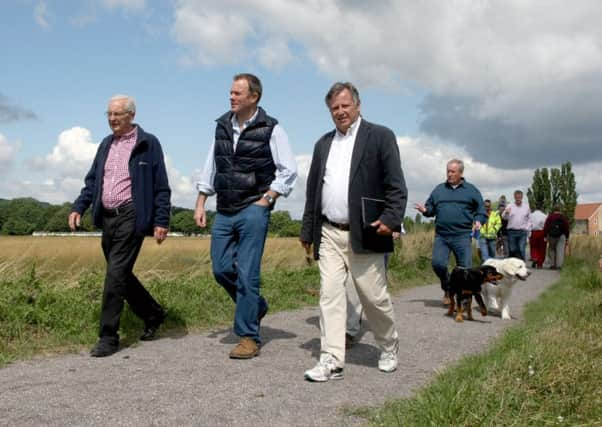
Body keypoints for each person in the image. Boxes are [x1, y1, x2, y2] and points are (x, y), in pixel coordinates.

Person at [300, 82, 407, 381]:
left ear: (358, 105)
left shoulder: (381, 136)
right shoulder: (323, 144)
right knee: (330, 295)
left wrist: (391, 218)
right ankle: (331, 359)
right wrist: (308, 231)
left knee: (373, 296)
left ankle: (388, 345)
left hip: (366, 232)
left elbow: (396, 185)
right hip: (330, 232)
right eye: (334, 108)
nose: (340, 112)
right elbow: (313, 191)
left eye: (345, 105)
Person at [194, 73, 297, 359]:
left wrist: (267, 199)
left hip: (253, 207)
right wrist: (201, 200)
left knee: (248, 272)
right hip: (225, 209)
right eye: (230, 92)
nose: (231, 97)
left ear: (254, 97)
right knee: (221, 268)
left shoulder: (271, 128)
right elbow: (211, 165)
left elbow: (288, 169)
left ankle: (249, 336)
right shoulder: (222, 126)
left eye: (238, 93)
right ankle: (256, 307)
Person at [69, 94, 171, 357]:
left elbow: (161, 185)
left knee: (115, 275)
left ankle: (108, 337)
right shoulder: (105, 144)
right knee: (121, 274)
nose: (112, 119)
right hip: (108, 218)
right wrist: (79, 206)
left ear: (131, 115)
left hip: (132, 216)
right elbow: (93, 181)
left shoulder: (148, 143)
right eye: (109, 114)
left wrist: (161, 220)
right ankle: (153, 313)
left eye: (118, 114)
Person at [414, 159, 487, 305]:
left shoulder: (471, 190)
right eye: (447, 171)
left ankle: (465, 299)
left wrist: (478, 221)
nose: (449, 174)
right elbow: (430, 209)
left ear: (461, 173)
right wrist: (425, 211)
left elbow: (481, 211)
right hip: (442, 236)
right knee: (438, 264)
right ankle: (448, 288)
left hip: (462, 235)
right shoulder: (439, 190)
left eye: (452, 171)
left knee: (465, 269)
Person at [502, 190, 532, 260]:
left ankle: (522, 266)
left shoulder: (526, 207)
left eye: (519, 197)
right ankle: (514, 265)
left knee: (521, 249)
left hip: (522, 231)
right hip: (511, 231)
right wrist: (506, 213)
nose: (518, 199)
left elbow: (530, 219)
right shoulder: (510, 206)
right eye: (516, 197)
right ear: (514, 197)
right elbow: (504, 217)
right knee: (512, 250)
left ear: (522, 197)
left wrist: (527, 228)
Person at [543, 204, 570, 269]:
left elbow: (546, 226)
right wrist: (567, 237)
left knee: (551, 249)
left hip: (551, 236)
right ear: (560, 210)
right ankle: (559, 265)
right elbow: (566, 227)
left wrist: (545, 236)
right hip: (561, 236)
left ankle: (552, 265)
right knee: (560, 250)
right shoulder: (563, 217)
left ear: (553, 210)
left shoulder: (550, 217)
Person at [529, 204, 547, 268]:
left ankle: (535, 257)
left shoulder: (531, 215)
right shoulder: (544, 216)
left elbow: (529, 224)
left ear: (535, 208)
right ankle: (540, 263)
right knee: (542, 248)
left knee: (534, 247)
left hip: (533, 232)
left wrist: (528, 233)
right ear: (541, 209)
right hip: (542, 232)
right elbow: (546, 225)